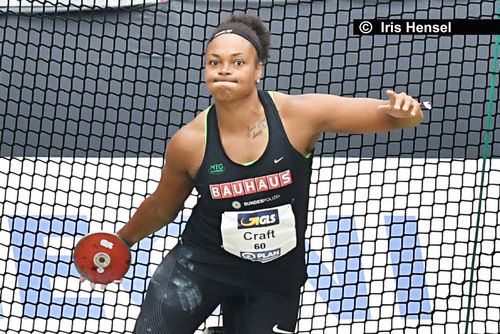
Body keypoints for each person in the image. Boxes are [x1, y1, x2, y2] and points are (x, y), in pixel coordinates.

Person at [90, 14, 424, 334]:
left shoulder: (297, 116)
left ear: (257, 70)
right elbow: (163, 206)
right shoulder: (189, 142)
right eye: (214, 62)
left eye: (237, 62)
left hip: (274, 281)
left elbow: (393, 117)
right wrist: (119, 241)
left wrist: (406, 113)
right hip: (200, 267)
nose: (224, 70)